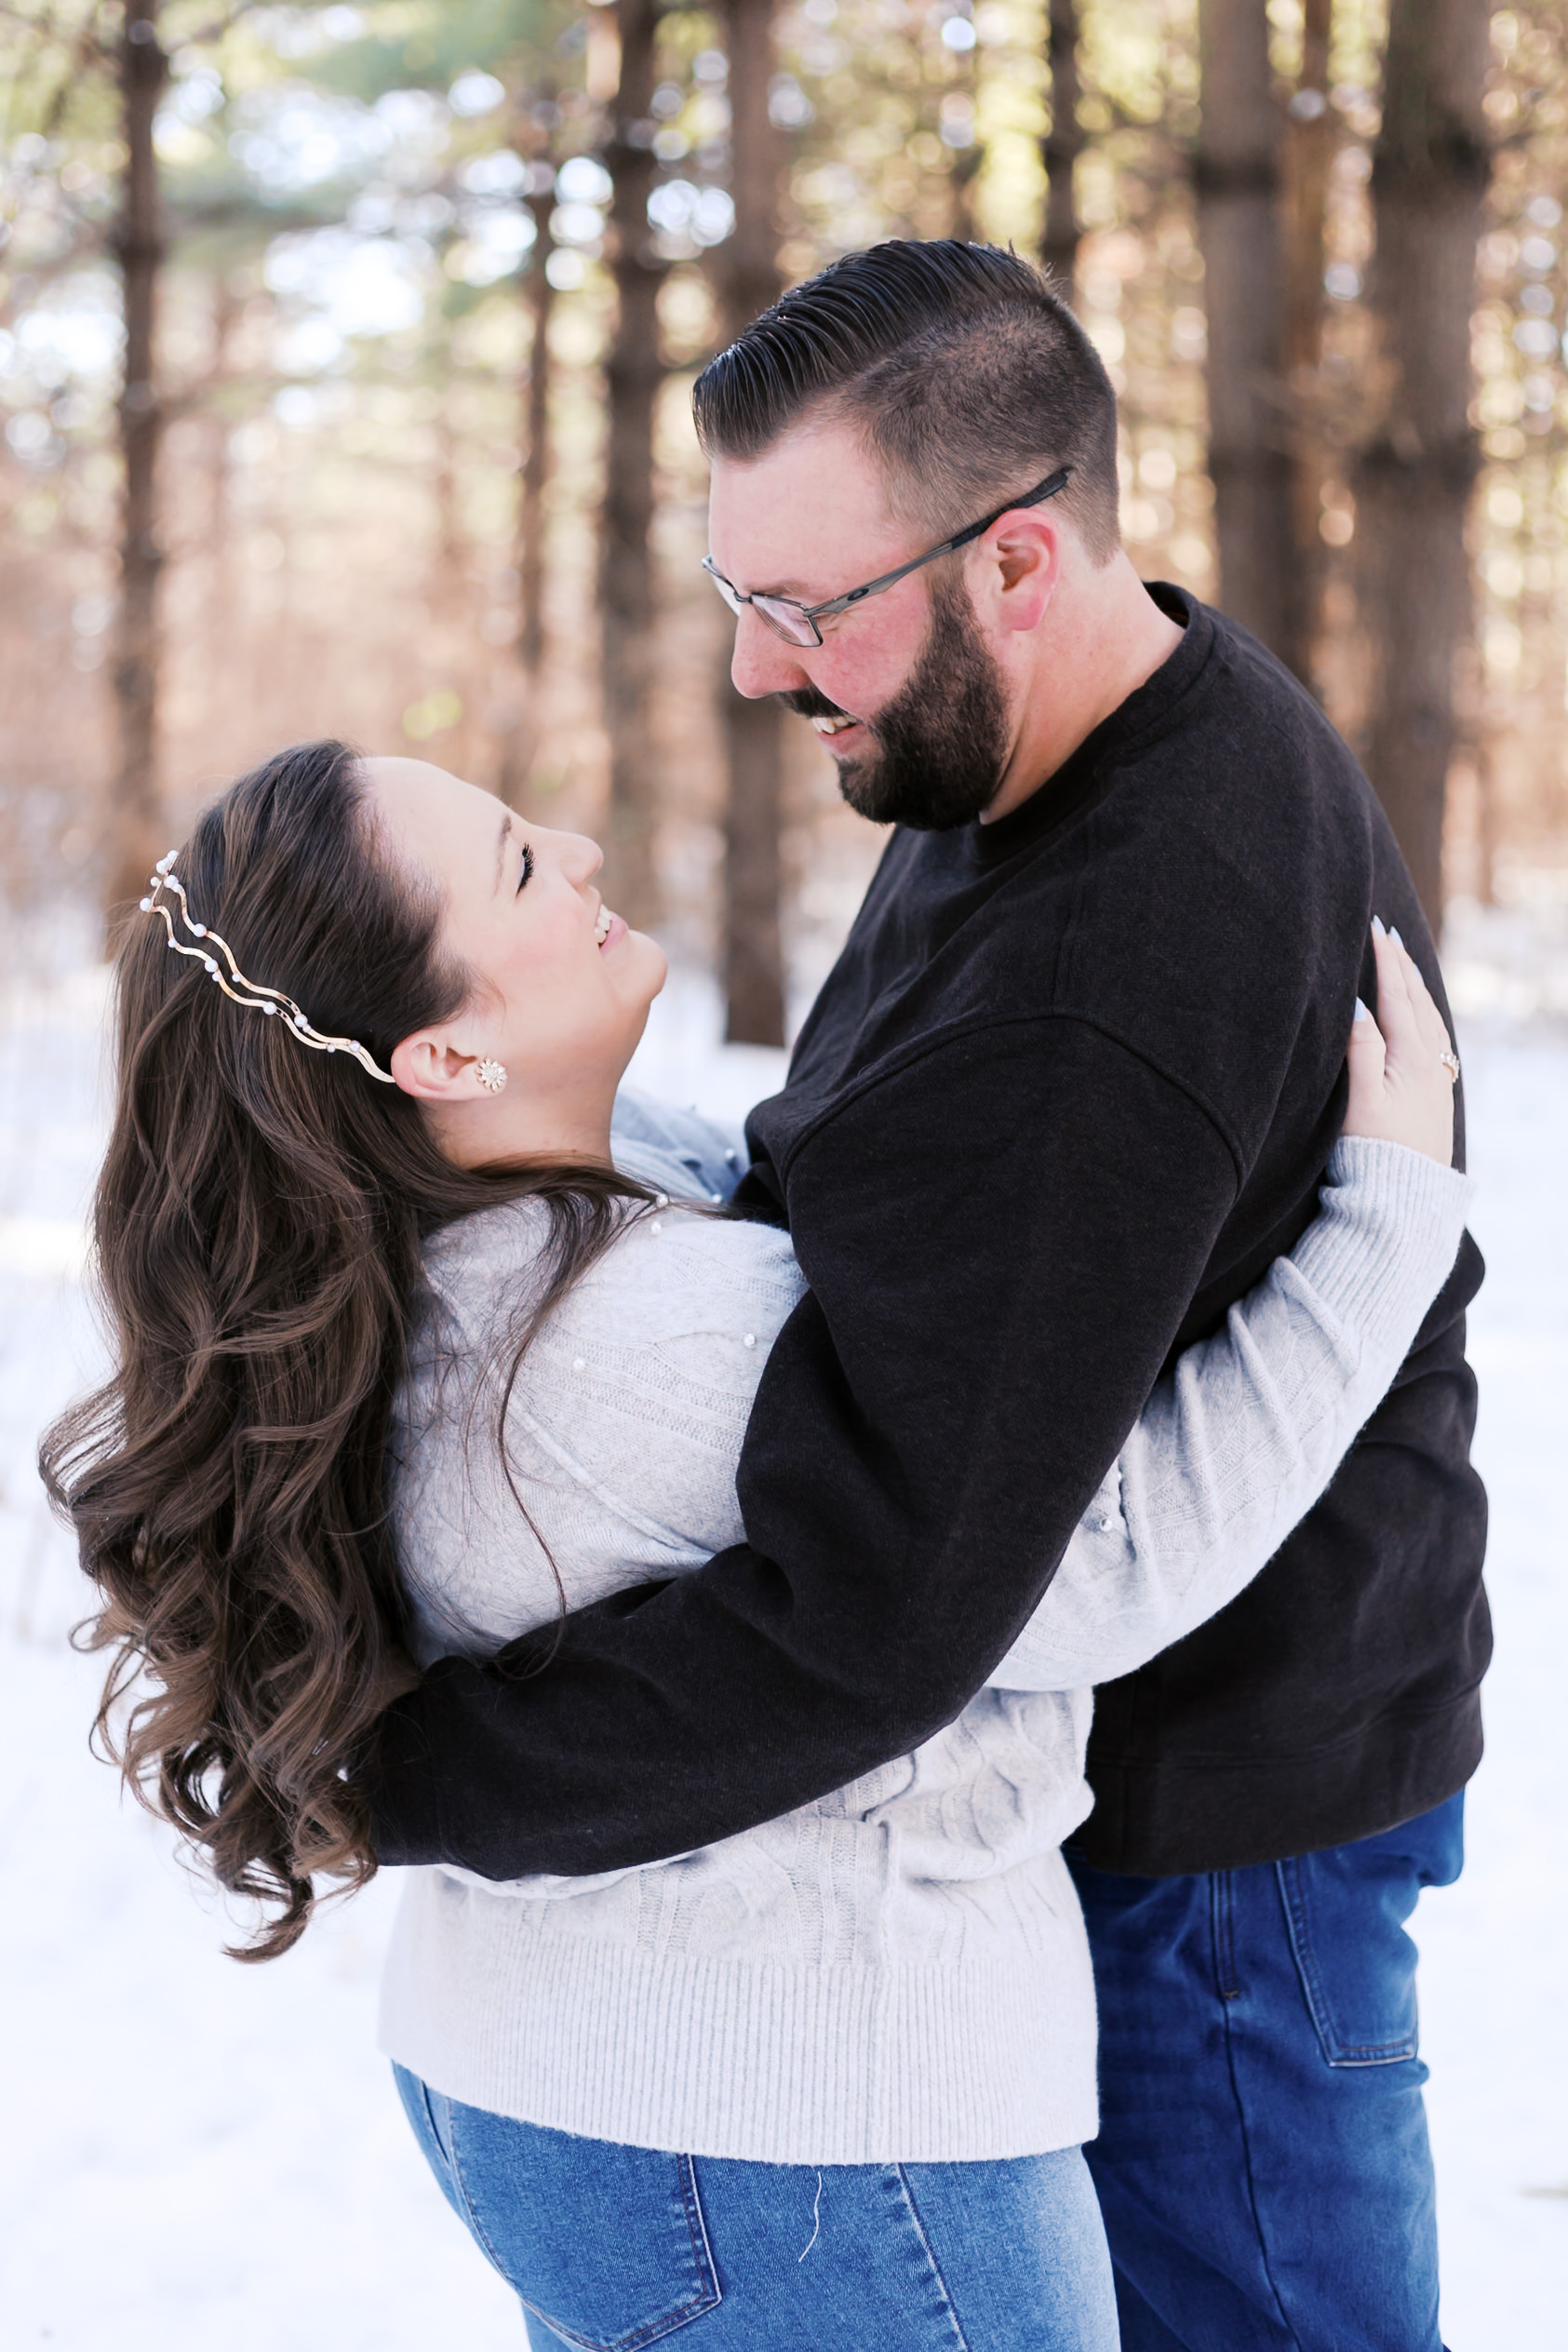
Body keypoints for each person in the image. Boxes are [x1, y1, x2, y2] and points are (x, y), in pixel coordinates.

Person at [358, 241, 1489, 2352]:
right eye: (737, 592)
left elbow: (888, 1605)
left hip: (1213, 1852)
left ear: (1020, 558)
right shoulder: (1051, 721)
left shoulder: (1110, 962)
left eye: (803, 608)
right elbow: (885, 1183)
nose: (755, 670)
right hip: (1144, 1808)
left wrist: (414, 1775)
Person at [44, 737, 1467, 2351]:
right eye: (521, 866)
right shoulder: (633, 1338)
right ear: (442, 1055)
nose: (579, 850)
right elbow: (1101, 1566)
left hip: (600, 2097)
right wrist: (1386, 1218)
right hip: (795, 2145)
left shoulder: (418, 1245)